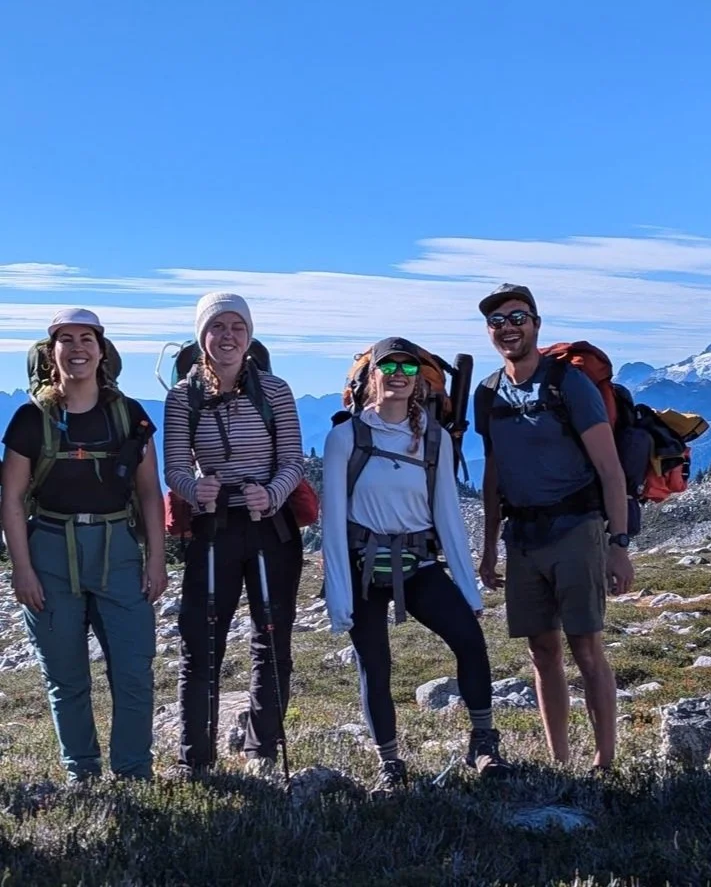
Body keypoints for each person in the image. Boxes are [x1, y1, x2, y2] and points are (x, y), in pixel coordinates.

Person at [322, 336, 509, 795]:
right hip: (362, 564)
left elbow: (447, 513)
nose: (399, 377)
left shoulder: (435, 439)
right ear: (371, 376)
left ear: (420, 383)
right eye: (390, 368)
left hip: (418, 564)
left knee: (469, 638)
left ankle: (483, 741)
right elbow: (331, 522)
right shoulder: (344, 438)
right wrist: (339, 598)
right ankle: (390, 762)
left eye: (409, 370)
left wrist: (468, 589)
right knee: (375, 665)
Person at [1, 308, 166, 783]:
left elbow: (149, 491)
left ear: (102, 350)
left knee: (134, 671)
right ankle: (83, 773)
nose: (77, 348)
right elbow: (10, 498)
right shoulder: (31, 419)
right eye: (66, 340)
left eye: (86, 339)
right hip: (50, 551)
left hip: (118, 549)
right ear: (50, 353)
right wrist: (22, 569)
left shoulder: (129, 415)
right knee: (65, 676)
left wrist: (156, 559)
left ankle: (134, 772)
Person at [474, 283, 634, 771]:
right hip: (522, 537)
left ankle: (605, 763)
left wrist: (619, 544)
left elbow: (610, 469)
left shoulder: (568, 383)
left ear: (537, 324)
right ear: (489, 332)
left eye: (518, 317)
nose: (508, 328)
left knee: (585, 645)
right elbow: (493, 473)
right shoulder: (486, 392)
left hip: (576, 528)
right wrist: (488, 547)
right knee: (542, 650)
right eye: (498, 321)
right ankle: (560, 760)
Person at [164, 292, 304, 778]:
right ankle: (195, 757)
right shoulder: (183, 396)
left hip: (270, 528)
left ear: (249, 335)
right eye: (217, 327)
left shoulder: (276, 391)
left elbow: (293, 460)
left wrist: (273, 491)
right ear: (202, 334)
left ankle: (262, 749)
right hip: (215, 527)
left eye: (236, 327)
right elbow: (175, 467)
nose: (227, 336)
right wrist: (194, 486)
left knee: (272, 641)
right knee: (201, 643)